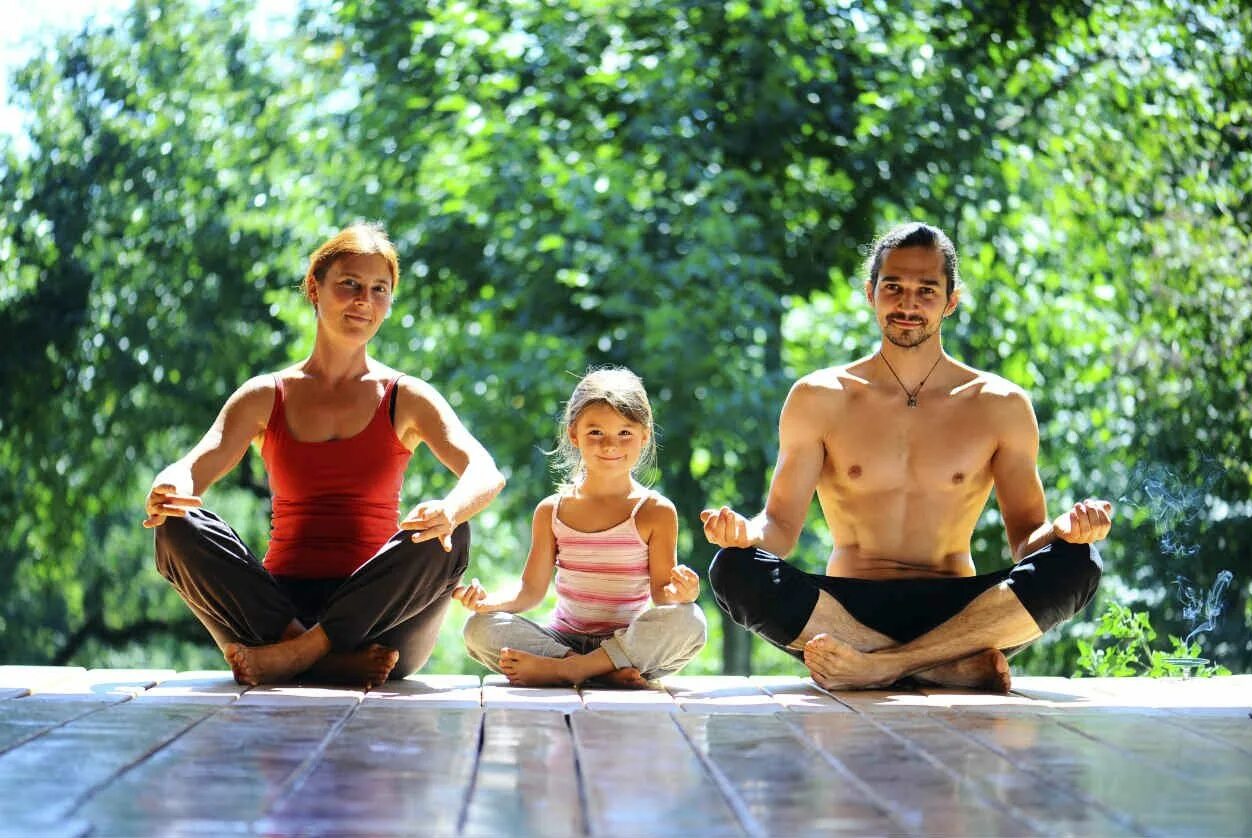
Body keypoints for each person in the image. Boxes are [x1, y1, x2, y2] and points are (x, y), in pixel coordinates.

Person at [702, 222, 1112, 692]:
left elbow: (1026, 545)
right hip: (846, 608)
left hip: (962, 609)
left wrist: (1066, 530)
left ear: (951, 300)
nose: (908, 304)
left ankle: (880, 666)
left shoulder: (1000, 404)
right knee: (732, 567)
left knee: (1080, 562)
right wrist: (742, 533)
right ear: (871, 292)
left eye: (926, 290)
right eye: (893, 287)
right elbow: (778, 528)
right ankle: (937, 668)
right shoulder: (819, 397)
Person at [144, 222, 505, 687]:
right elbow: (193, 468)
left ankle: (304, 653)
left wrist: (450, 510)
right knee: (175, 523)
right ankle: (313, 652)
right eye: (350, 284)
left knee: (448, 535)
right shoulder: (264, 395)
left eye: (379, 290)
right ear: (315, 288)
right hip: (273, 611)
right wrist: (170, 484)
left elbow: (485, 472)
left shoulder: (406, 396)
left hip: (382, 619)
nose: (364, 301)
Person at [456, 367, 706, 687]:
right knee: (478, 628)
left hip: (628, 643)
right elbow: (530, 591)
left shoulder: (655, 512)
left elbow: (662, 594)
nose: (609, 445)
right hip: (562, 642)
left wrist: (682, 594)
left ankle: (574, 671)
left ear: (645, 436)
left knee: (691, 621)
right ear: (574, 435)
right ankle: (587, 669)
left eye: (625, 433)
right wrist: (490, 604)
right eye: (596, 432)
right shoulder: (551, 511)